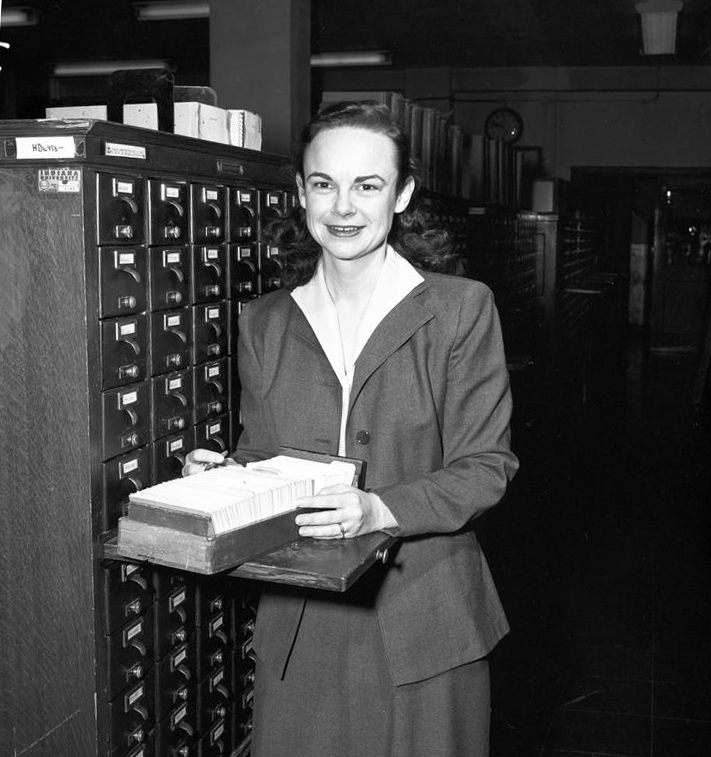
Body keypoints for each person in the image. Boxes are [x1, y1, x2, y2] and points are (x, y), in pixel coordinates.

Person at [184, 100, 519, 757]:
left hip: (424, 621)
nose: (343, 207)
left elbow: (486, 467)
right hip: (305, 626)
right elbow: (266, 455)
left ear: (401, 195)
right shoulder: (265, 321)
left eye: (367, 185)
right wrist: (227, 478)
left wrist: (377, 508)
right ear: (300, 192)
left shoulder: (458, 310)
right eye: (323, 183)